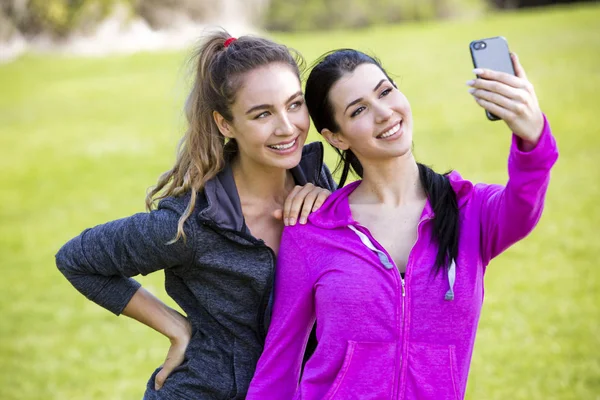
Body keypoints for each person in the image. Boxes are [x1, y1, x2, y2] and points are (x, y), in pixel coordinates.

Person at [247, 49, 558, 399]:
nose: (384, 113)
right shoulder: (314, 232)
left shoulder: (471, 211)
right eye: (359, 109)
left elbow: (524, 206)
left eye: (385, 92)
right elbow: (279, 364)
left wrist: (533, 139)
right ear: (337, 137)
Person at [55, 30, 335, 399]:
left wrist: (332, 208)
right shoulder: (191, 223)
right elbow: (77, 259)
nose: (287, 127)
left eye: (294, 104)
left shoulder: (320, 184)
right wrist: (176, 327)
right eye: (262, 113)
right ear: (225, 124)